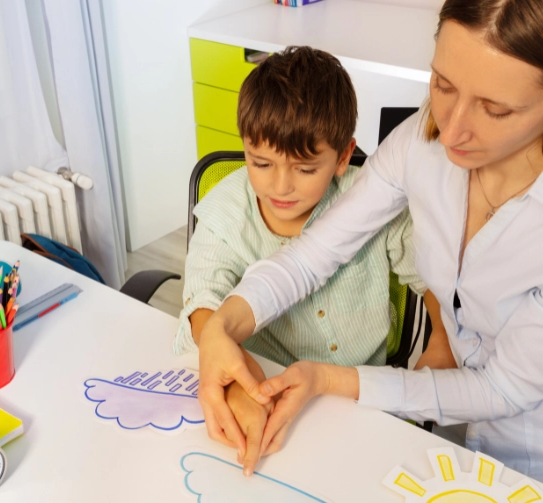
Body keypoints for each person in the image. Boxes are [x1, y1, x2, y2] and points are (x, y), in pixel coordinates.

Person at [196, 0, 543, 481]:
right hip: (459, 429)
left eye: (495, 109)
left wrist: (329, 378)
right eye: (443, 84)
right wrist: (222, 325)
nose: (450, 130)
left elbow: (503, 391)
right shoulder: (420, 141)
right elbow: (313, 254)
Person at [175, 46, 447, 469]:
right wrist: (234, 376)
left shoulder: (371, 200)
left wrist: (443, 339)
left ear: (343, 157)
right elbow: (201, 300)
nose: (280, 186)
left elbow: (432, 278)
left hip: (354, 395)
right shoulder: (225, 211)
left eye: (304, 169)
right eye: (261, 163)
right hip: (265, 387)